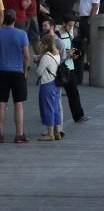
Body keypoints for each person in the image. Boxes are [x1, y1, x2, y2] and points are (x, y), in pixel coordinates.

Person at [0, 9, 31, 143]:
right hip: (17, 72)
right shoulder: (21, 34)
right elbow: (26, 56)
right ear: (15, 20)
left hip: (1, 72)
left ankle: (0, 133)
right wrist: (25, 71)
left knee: (1, 104)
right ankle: (19, 134)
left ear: (3, 20)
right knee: (19, 104)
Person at [52, 18, 86, 124]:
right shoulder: (57, 36)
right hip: (60, 69)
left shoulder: (70, 35)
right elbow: (55, 53)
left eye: (73, 26)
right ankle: (53, 116)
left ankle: (78, 116)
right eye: (69, 25)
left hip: (70, 67)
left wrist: (74, 55)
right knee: (56, 94)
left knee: (74, 92)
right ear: (63, 23)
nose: (71, 28)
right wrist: (67, 54)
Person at [35, 33, 64, 142]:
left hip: (47, 84)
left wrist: (38, 62)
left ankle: (50, 133)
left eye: (42, 43)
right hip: (56, 84)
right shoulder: (57, 54)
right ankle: (57, 133)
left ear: (46, 44)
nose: (41, 45)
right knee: (55, 108)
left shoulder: (46, 56)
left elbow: (39, 72)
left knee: (47, 108)